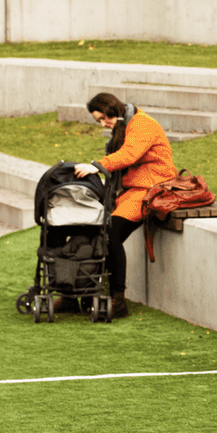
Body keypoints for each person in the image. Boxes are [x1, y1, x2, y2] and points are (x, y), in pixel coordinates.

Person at [73, 92, 176, 320]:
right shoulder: (125, 124)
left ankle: (118, 300)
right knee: (98, 230)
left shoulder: (142, 124)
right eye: (98, 120)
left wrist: (97, 166)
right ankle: (76, 294)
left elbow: (129, 155)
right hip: (134, 190)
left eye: (103, 118)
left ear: (112, 109)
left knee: (111, 233)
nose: (103, 123)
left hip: (152, 189)